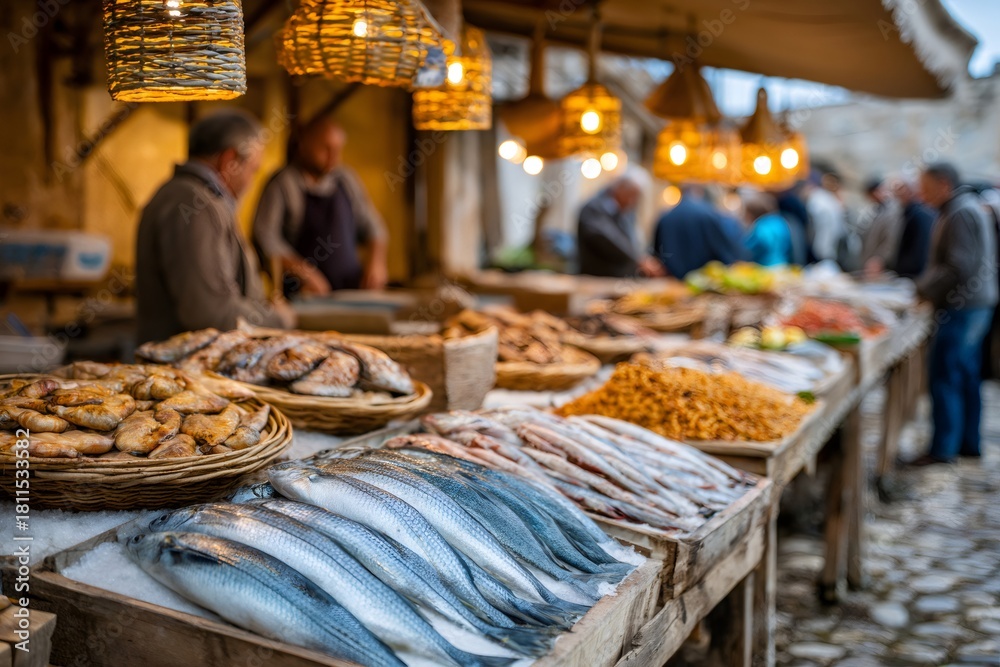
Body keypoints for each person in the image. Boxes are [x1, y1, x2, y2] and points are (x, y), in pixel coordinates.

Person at [135, 110, 294, 344]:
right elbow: (209, 313)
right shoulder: (194, 204)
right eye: (253, 170)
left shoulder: (188, 196)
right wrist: (278, 319)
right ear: (229, 161)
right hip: (184, 373)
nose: (251, 181)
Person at [912, 162, 998, 465]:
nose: (922, 194)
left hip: (962, 306)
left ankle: (944, 448)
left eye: (926, 186)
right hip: (975, 304)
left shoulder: (960, 211)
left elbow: (958, 267)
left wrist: (921, 289)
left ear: (944, 183)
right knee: (966, 374)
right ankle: (967, 444)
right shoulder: (964, 207)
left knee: (946, 375)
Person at [254, 116, 388, 296]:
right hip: (304, 297)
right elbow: (265, 237)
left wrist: (377, 262)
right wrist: (305, 273)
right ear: (304, 145)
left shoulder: (346, 180)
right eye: (326, 148)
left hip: (351, 295)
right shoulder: (283, 184)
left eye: (338, 150)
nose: (333, 157)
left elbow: (374, 228)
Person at [576, 170, 664, 278]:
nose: (633, 202)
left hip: (616, 280)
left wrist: (644, 257)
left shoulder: (625, 213)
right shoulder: (593, 209)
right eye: (632, 195)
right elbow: (609, 238)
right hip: (597, 278)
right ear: (620, 189)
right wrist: (639, 259)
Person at [652, 185, 746, 278]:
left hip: (672, 281)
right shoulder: (708, 215)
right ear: (700, 192)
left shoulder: (666, 217)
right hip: (703, 281)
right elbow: (724, 250)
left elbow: (656, 253)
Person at [889, 179, 935, 279]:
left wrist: (904, 272)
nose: (898, 193)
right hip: (904, 273)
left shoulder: (919, 214)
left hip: (912, 275)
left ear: (912, 191)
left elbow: (919, 250)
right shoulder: (906, 213)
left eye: (902, 188)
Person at [859, 177, 903, 278]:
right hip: (871, 262)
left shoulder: (894, 210)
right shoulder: (877, 210)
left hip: (884, 265)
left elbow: (891, 241)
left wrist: (880, 259)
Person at [803, 169, 847, 265]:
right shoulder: (827, 198)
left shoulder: (817, 200)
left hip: (824, 252)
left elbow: (820, 230)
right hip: (832, 250)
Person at [743, 194, 793, 267]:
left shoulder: (761, 225)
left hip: (765, 267)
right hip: (783, 264)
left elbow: (753, 246)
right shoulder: (780, 221)